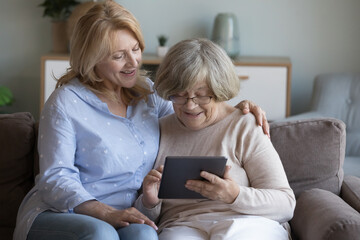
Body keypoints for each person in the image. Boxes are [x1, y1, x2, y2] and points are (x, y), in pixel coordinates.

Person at [13, 1, 268, 240]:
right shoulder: (65, 103)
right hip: (64, 213)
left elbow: (190, 115)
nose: (133, 62)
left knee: (145, 236)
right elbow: (55, 178)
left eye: (135, 49)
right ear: (91, 59)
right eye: (118, 55)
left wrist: (234, 109)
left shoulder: (148, 93)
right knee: (102, 234)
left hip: (132, 212)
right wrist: (106, 214)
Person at [137, 38, 296, 240]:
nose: (190, 106)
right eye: (179, 95)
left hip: (246, 221)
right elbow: (143, 220)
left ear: (220, 91)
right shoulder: (158, 130)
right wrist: (149, 202)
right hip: (181, 225)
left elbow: (285, 204)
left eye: (202, 96)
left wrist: (234, 195)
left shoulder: (244, 125)